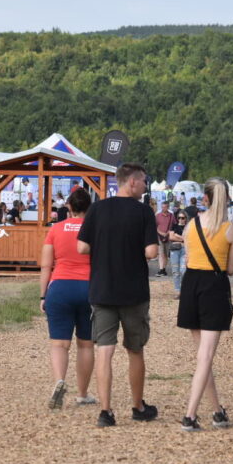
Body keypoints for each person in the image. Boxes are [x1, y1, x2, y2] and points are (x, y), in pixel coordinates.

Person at [77, 163, 159, 428]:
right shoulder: (143, 211)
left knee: (104, 350)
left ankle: (106, 411)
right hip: (134, 291)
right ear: (132, 182)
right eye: (144, 181)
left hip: (102, 289)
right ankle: (138, 406)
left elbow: (82, 247)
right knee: (135, 350)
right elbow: (151, 253)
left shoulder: (97, 208)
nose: (145, 186)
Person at [177, 177, 233, 432]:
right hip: (214, 286)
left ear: (205, 198)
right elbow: (231, 269)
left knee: (204, 357)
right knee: (205, 357)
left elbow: (188, 258)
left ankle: (217, 412)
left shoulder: (191, 224)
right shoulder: (231, 229)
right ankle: (190, 415)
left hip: (191, 284)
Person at [40, 188, 96, 409]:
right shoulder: (95, 229)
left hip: (60, 287)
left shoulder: (56, 229)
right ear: (89, 207)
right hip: (89, 288)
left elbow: (46, 266)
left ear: (69, 207)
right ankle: (82, 394)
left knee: (60, 344)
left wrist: (43, 295)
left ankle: (59, 381)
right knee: (86, 345)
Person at [167, 209, 189, 299]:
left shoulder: (188, 227)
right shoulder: (174, 226)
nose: (180, 219)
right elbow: (171, 237)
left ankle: (183, 290)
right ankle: (178, 292)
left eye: (182, 218)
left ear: (186, 218)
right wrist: (182, 238)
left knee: (183, 271)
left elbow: (188, 239)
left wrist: (177, 236)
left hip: (185, 250)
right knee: (175, 272)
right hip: (174, 250)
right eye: (179, 218)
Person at [155, 200, 174, 277]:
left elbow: (173, 226)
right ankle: (161, 269)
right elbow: (155, 226)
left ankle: (163, 269)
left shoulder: (171, 216)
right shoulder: (158, 216)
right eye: (162, 207)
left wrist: (168, 233)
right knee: (161, 253)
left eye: (165, 207)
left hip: (168, 237)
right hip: (159, 237)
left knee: (166, 254)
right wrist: (160, 233)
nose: (163, 208)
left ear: (168, 207)